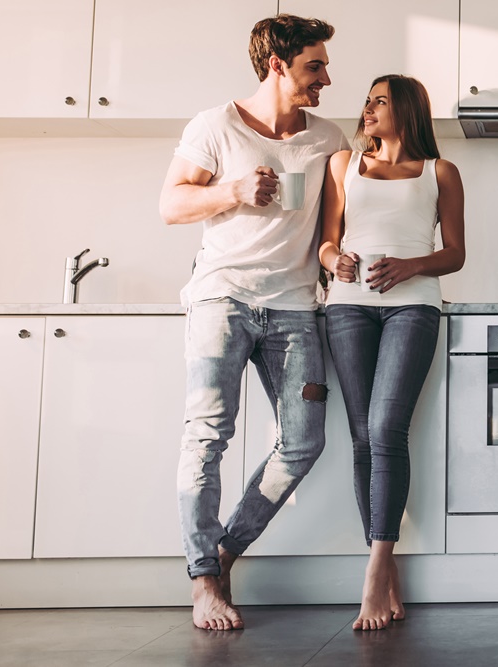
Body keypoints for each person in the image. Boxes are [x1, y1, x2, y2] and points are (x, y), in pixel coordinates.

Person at [159, 14, 349, 631]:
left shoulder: (327, 137)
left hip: (295, 306)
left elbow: (334, 226)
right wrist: (232, 191)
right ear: (277, 64)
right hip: (222, 298)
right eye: (314, 65)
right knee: (207, 435)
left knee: (303, 441)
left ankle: (222, 552)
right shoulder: (214, 125)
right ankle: (204, 582)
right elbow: (171, 204)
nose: (325, 76)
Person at [318, 74, 466, 631]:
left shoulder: (440, 172)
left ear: (406, 109)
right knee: (362, 437)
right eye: (368, 100)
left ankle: (376, 568)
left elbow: (454, 253)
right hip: (347, 306)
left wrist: (411, 266)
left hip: (414, 307)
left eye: (380, 100)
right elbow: (327, 240)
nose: (368, 108)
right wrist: (337, 262)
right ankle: (385, 562)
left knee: (385, 431)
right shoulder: (342, 165)